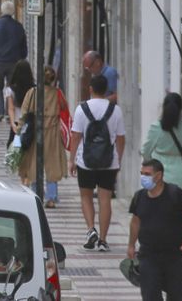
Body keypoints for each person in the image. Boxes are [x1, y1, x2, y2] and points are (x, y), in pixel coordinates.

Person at [127, 157, 182, 300]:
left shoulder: (175, 194)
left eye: (147, 174)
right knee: (150, 295)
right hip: (148, 256)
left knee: (177, 295)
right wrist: (131, 245)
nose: (143, 177)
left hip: (175, 256)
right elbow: (135, 222)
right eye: (142, 173)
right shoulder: (139, 197)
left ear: (158, 175)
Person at [69, 73, 126, 252]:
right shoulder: (115, 110)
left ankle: (90, 229)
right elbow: (121, 138)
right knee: (105, 200)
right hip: (109, 162)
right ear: (106, 89)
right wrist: (118, 159)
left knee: (86, 196)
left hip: (85, 161)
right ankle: (103, 239)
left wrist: (72, 160)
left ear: (91, 89)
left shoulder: (81, 109)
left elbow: (76, 136)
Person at [19, 64, 70, 207]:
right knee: (52, 165)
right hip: (53, 134)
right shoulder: (58, 94)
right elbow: (65, 111)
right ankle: (52, 197)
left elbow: (23, 114)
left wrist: (18, 132)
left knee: (33, 165)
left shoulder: (33, 93)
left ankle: (35, 196)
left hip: (35, 133)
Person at [0, 1, 29, 84]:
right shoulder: (18, 26)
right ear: (13, 11)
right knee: (13, 87)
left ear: (2, 11)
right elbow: (23, 45)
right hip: (14, 62)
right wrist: (22, 57)